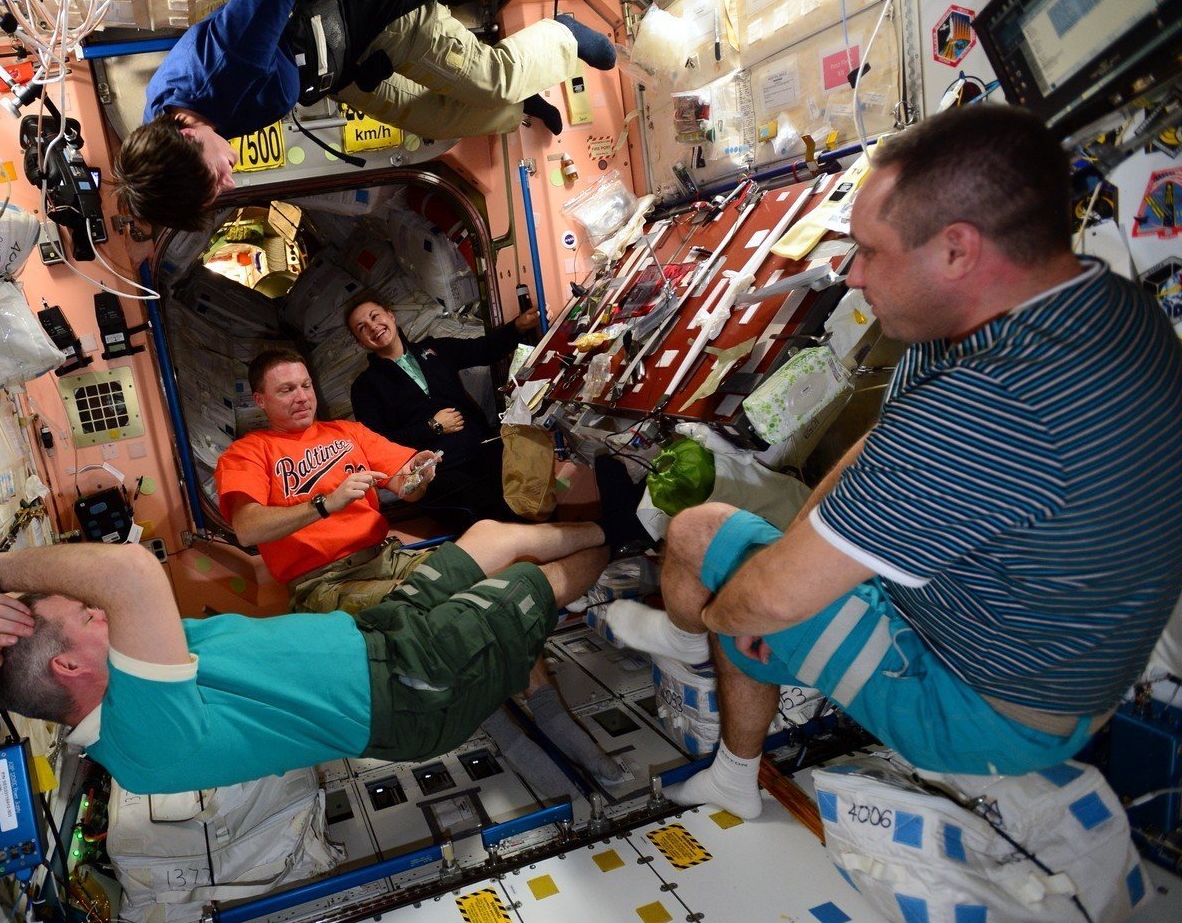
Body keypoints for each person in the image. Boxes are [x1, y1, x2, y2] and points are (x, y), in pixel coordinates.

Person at [591, 105, 1182, 819]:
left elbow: (773, 598)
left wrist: (731, 611)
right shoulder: (1099, 302)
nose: (852, 274)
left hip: (984, 707)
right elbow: (885, 442)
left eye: (871, 251)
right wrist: (791, 562)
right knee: (751, 564)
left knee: (707, 552)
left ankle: (705, 690)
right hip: (1050, 643)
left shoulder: (990, 404)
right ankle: (727, 731)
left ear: (958, 250)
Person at [217, 348, 630, 785]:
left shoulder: (346, 432)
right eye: (286, 390)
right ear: (260, 400)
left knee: (499, 572)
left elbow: (406, 484)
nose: (301, 397)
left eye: (305, 386)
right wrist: (324, 504)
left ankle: (548, 705)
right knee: (458, 614)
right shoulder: (248, 453)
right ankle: (501, 727)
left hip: (386, 557)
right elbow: (247, 527)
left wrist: (418, 475)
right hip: (325, 584)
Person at [0, 522, 608, 794]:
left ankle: (614, 523)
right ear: (69, 669)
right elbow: (127, 572)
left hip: (374, 635)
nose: (100, 612)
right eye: (85, 617)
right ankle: (634, 539)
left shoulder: (126, 676)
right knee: (532, 585)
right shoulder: (142, 739)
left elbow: (113, 591)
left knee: (489, 539)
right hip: (412, 688)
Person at [113, 0, 619, 231]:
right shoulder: (167, 121)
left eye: (214, 177)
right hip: (337, 68)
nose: (230, 180)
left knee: (494, 78)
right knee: (436, 122)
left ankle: (565, 35)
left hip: (364, 15)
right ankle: (523, 105)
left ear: (188, 135)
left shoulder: (226, 61)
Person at [346, 293, 537, 529]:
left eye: (375, 316)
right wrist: (431, 427)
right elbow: (378, 445)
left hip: (481, 447)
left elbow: (484, 349)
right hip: (440, 473)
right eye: (362, 327)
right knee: (489, 517)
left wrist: (518, 327)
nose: (373, 327)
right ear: (361, 342)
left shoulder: (433, 349)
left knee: (528, 496)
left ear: (390, 316)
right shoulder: (365, 386)